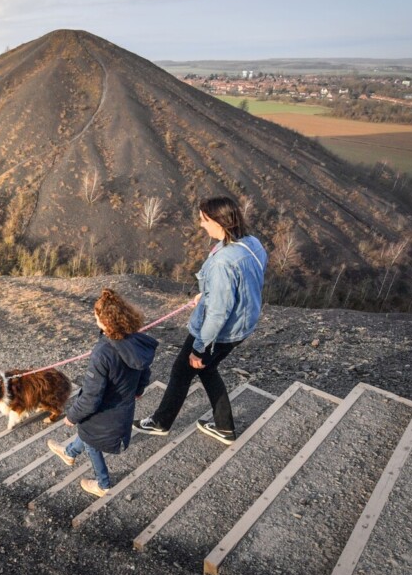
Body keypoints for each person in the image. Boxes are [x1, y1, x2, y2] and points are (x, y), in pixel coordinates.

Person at [135, 196, 267, 445]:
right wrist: (208, 293)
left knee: (184, 369)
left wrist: (199, 347)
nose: (201, 225)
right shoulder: (252, 243)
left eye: (204, 219)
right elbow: (244, 281)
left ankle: (161, 422)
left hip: (219, 331)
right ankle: (223, 427)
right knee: (205, 369)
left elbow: (218, 313)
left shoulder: (222, 262)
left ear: (219, 221)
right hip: (242, 323)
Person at [47, 289, 157, 497]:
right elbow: (144, 369)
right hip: (123, 407)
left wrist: (72, 416)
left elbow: (91, 396)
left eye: (96, 315)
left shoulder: (103, 353)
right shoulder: (135, 340)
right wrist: (139, 389)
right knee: (88, 436)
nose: (94, 317)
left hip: (106, 411)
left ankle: (103, 484)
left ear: (106, 321)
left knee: (91, 441)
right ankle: (69, 453)